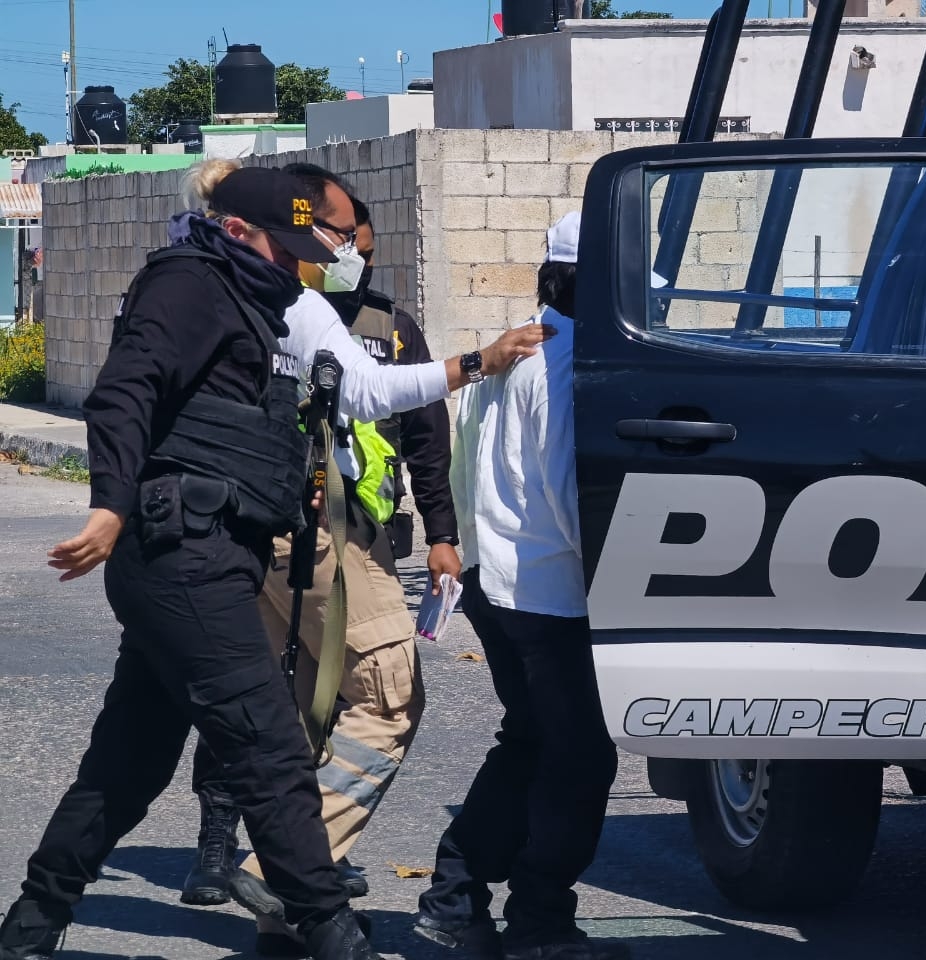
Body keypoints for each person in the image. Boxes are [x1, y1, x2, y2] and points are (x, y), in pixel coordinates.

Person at [0, 166, 381, 960]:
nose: (299, 268)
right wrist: (107, 503)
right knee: (268, 744)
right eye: (287, 251)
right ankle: (329, 929)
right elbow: (125, 391)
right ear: (238, 232)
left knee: (130, 760)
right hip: (180, 552)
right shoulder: (189, 285)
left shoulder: (251, 299)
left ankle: (32, 924)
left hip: (212, 550)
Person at [177, 161, 534, 956]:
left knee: (305, 709)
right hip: (289, 530)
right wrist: (479, 361)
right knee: (387, 690)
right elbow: (370, 395)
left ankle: (286, 905)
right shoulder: (286, 303)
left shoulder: (198, 287)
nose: (342, 250)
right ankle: (290, 872)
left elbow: (415, 438)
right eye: (332, 233)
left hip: (277, 529)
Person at [413, 212, 627, 960]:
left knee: (533, 740)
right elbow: (569, 497)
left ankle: (454, 895)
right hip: (549, 592)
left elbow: (468, 468)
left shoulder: (512, 349)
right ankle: (538, 921)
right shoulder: (565, 368)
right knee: (579, 758)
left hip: (494, 582)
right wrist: (618, 585)